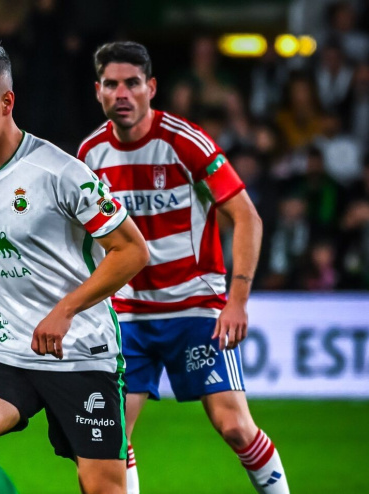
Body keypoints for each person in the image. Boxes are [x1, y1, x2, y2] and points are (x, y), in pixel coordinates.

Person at [0, 41, 149, 494]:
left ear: (6, 102)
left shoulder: (61, 172)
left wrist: (66, 310)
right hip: (6, 351)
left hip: (79, 353)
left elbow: (132, 251)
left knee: (103, 487)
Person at [77, 41, 290, 493]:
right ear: (97, 91)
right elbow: (82, 240)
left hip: (194, 307)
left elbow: (246, 217)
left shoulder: (185, 141)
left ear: (151, 88)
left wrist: (237, 300)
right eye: (111, 84)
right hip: (127, 313)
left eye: (132, 83)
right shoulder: (90, 154)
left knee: (235, 427)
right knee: (110, 438)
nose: (122, 94)